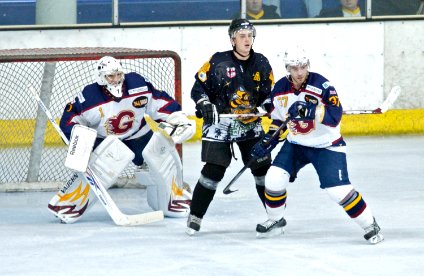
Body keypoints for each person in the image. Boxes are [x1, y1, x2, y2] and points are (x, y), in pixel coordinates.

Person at [251, 47, 384, 244]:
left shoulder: (322, 85)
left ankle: (369, 224)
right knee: (273, 179)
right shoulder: (280, 88)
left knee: (338, 191)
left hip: (326, 145)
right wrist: (268, 141)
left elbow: (335, 116)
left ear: (308, 66)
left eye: (303, 67)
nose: (299, 72)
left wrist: (312, 112)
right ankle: (275, 220)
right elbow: (279, 120)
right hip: (296, 144)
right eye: (294, 68)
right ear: (288, 68)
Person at [52, 56, 195, 223]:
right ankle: (69, 204)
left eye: (119, 75)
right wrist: (78, 142)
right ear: (101, 78)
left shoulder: (137, 84)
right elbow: (70, 120)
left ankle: (173, 199)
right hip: (105, 140)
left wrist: (176, 118)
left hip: (138, 134)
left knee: (160, 158)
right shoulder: (89, 96)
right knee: (99, 171)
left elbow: (158, 102)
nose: (116, 80)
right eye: (110, 76)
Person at [186, 18, 275, 235]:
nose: (247, 40)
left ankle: (275, 216)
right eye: (242, 36)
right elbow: (198, 89)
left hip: (249, 123)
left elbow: (270, 95)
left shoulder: (261, 63)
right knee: (213, 171)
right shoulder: (217, 61)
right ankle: (195, 215)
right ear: (232, 39)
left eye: (250, 36)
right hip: (220, 123)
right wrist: (204, 103)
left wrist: (265, 107)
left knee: (263, 169)